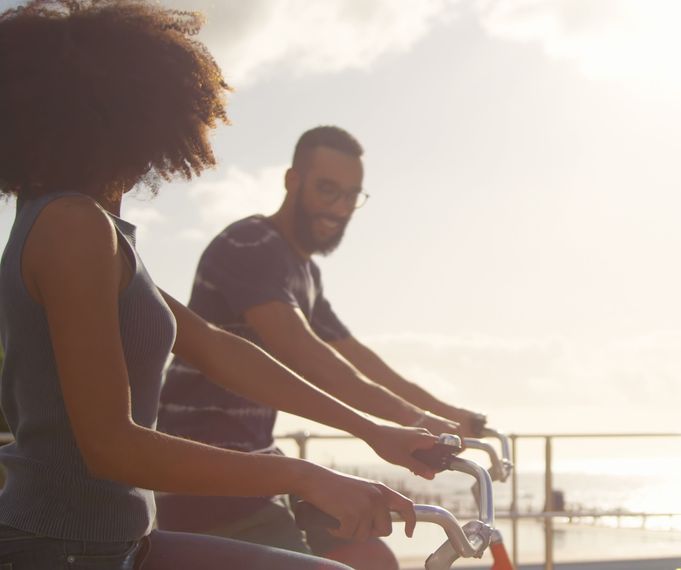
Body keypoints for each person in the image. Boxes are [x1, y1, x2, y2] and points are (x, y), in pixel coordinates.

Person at [0, 2, 438, 568]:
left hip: (123, 541)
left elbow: (214, 347)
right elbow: (111, 445)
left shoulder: (94, 228)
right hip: (62, 550)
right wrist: (305, 476)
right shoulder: (72, 227)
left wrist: (373, 430)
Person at [154, 125, 488, 568]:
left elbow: (359, 358)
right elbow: (305, 352)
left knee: (371, 556)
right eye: (327, 190)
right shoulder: (252, 244)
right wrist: (412, 421)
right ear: (293, 181)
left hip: (260, 469)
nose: (339, 208)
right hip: (211, 477)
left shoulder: (303, 272)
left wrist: (448, 418)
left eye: (351, 196)